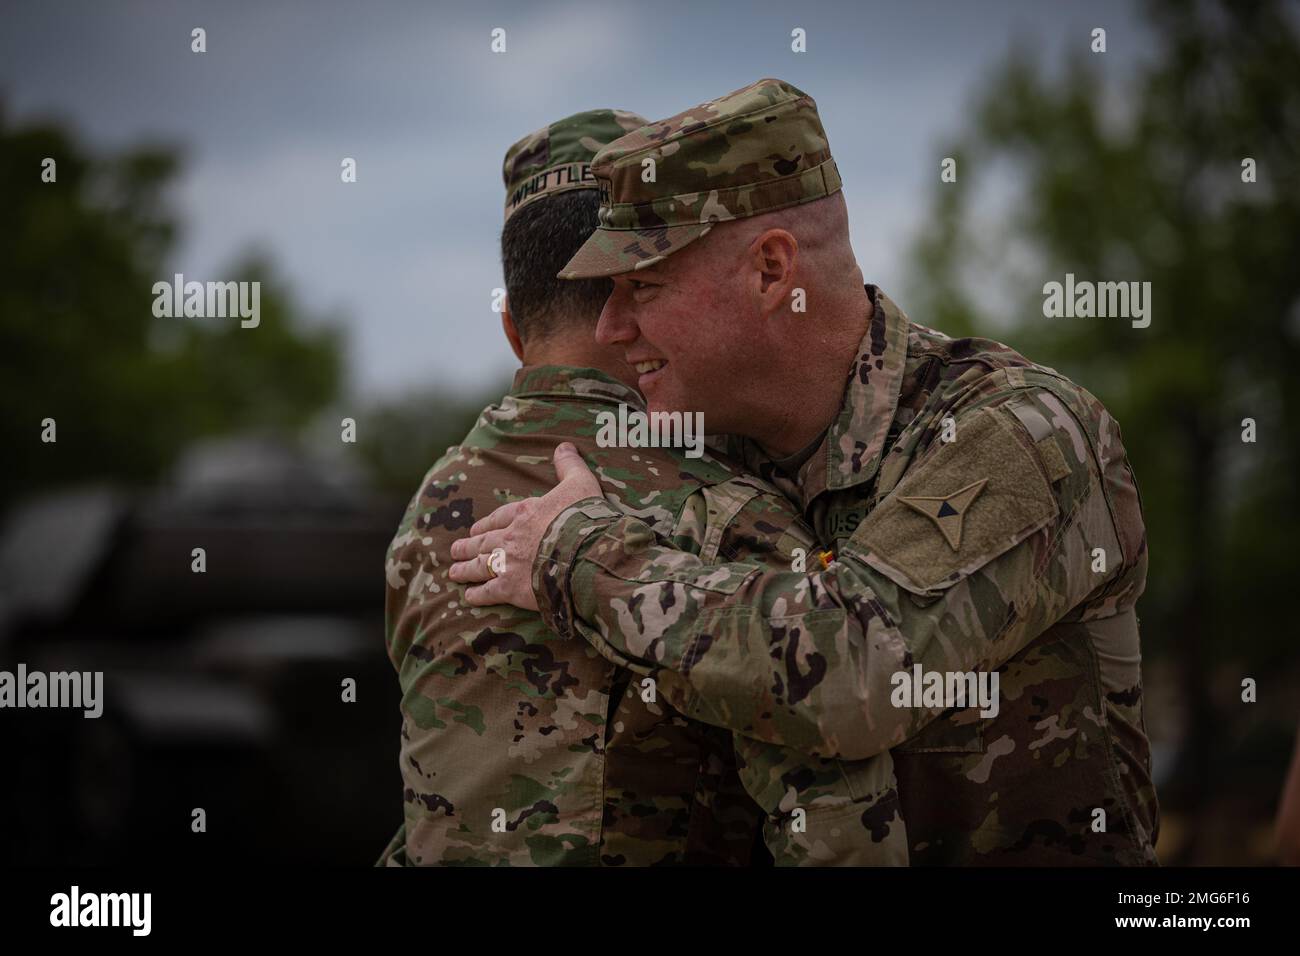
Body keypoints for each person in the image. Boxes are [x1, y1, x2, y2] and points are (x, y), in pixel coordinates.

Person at [450, 78, 1160, 866]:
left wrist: (577, 559)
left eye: (641, 286)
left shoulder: (1018, 433)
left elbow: (855, 673)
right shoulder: (707, 454)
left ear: (771, 270)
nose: (613, 328)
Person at [378, 107, 905, 866]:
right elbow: (840, 820)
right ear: (630, 311)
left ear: (514, 334)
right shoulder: (728, 506)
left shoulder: (431, 507)